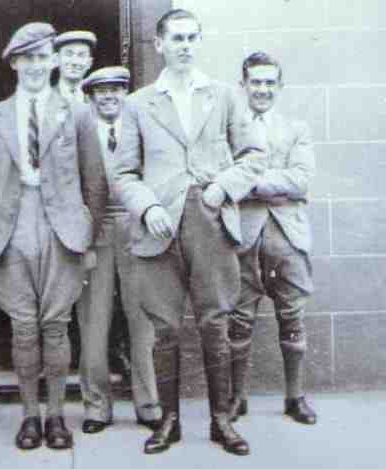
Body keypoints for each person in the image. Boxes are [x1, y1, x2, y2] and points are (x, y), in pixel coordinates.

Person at [115, 9, 265, 456]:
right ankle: (169, 421)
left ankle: (222, 421)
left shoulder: (223, 96)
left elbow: (254, 155)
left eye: (191, 38)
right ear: (158, 44)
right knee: (164, 327)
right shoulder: (139, 103)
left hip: (209, 219)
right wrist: (147, 206)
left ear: (199, 42)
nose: (184, 45)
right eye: (175, 38)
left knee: (215, 321)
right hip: (160, 225)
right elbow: (123, 173)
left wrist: (222, 187)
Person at [0, 22, 108, 450]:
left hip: (61, 227)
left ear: (52, 61)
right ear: (14, 63)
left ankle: (56, 417)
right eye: (26, 58)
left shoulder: (79, 113)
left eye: (41, 57)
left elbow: (94, 183)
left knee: (56, 326)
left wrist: (87, 240)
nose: (34, 66)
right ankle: (29, 417)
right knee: (23, 328)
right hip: (12, 228)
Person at [229, 51, 317, 426]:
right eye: (255, 82)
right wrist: (271, 185)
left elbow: (301, 178)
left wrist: (251, 183)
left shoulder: (296, 128)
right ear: (243, 85)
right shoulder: (229, 129)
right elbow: (222, 176)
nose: (262, 89)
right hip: (242, 238)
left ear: (279, 87)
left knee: (292, 318)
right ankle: (236, 398)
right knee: (238, 320)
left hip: (287, 238)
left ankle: (295, 396)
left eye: (269, 83)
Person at [75, 66, 160, 434]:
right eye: (102, 91)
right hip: (95, 229)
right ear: (91, 97)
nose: (110, 97)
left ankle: (149, 404)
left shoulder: (140, 127)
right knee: (94, 321)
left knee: (142, 318)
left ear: (125, 94)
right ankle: (96, 407)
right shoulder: (81, 131)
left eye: (116, 90)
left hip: (135, 224)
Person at [53, 30, 96, 104]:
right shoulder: (43, 98)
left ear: (89, 63)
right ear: (56, 59)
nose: (75, 62)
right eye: (69, 54)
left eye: (81, 55)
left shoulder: (96, 102)